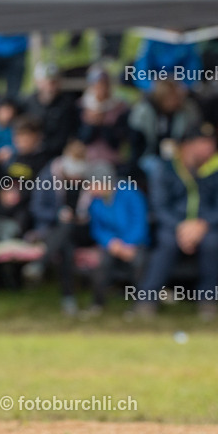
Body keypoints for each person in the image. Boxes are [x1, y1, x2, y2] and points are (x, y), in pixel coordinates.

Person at [136, 125, 218, 320]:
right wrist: (181, 227)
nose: (210, 148)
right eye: (203, 143)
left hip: (207, 225)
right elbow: (159, 205)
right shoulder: (165, 168)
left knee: (212, 244)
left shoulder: (215, 167)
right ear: (187, 145)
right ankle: (147, 299)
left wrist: (202, 224)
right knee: (166, 243)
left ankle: (208, 300)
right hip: (174, 225)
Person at [27, 140, 95, 315]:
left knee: (67, 229)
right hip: (52, 229)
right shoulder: (48, 176)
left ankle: (40, 263)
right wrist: (57, 214)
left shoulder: (89, 179)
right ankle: (69, 300)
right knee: (66, 247)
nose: (75, 177)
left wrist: (84, 216)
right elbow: (37, 208)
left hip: (81, 229)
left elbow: (97, 209)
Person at [85, 162, 148, 313]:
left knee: (139, 263)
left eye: (92, 184)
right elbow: (97, 228)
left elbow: (139, 222)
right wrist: (111, 242)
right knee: (100, 263)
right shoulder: (95, 201)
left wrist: (128, 243)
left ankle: (142, 304)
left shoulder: (131, 193)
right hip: (112, 244)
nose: (89, 189)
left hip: (135, 242)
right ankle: (98, 303)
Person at [23, 62, 79, 160]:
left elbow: (72, 132)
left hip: (60, 155)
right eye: (47, 81)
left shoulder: (67, 104)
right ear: (37, 82)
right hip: (33, 154)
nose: (51, 85)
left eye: (54, 81)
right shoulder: (28, 103)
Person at [78, 65, 129, 168]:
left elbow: (117, 142)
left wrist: (103, 123)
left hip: (112, 160)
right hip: (86, 161)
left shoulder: (120, 107)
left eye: (104, 84)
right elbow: (82, 139)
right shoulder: (81, 106)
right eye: (97, 84)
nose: (102, 88)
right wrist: (92, 124)